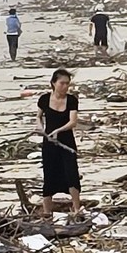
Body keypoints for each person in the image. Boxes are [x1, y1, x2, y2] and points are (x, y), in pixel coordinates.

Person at [37, 68, 82, 213]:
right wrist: (41, 129)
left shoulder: (72, 100)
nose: (65, 87)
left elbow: (73, 122)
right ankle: (47, 212)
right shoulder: (44, 99)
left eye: (67, 84)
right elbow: (38, 116)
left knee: (71, 174)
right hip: (49, 143)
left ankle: (76, 208)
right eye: (62, 83)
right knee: (49, 174)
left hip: (66, 142)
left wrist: (58, 130)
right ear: (53, 83)